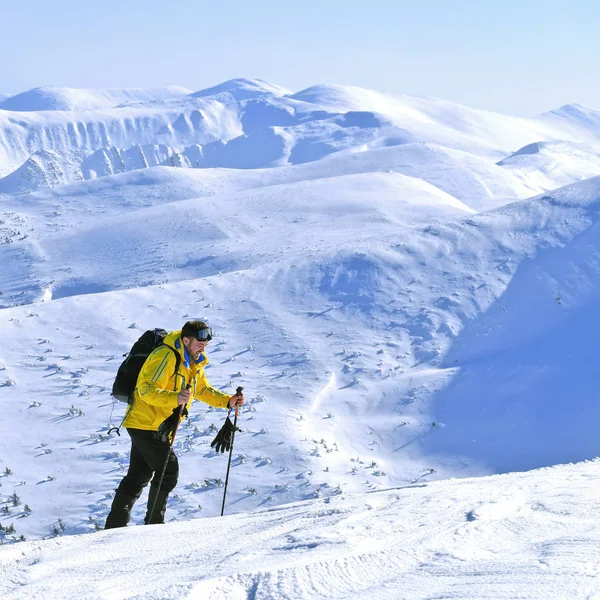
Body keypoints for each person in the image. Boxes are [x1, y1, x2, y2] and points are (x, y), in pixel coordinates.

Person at [104, 320, 244, 528]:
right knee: (168, 471)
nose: (203, 346)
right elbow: (145, 389)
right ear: (186, 340)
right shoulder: (166, 356)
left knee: (139, 475)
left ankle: (115, 526)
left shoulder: (192, 362)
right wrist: (175, 398)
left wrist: (227, 401)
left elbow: (202, 390)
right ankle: (154, 524)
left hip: (157, 425)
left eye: (206, 344)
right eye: (199, 342)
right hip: (145, 423)